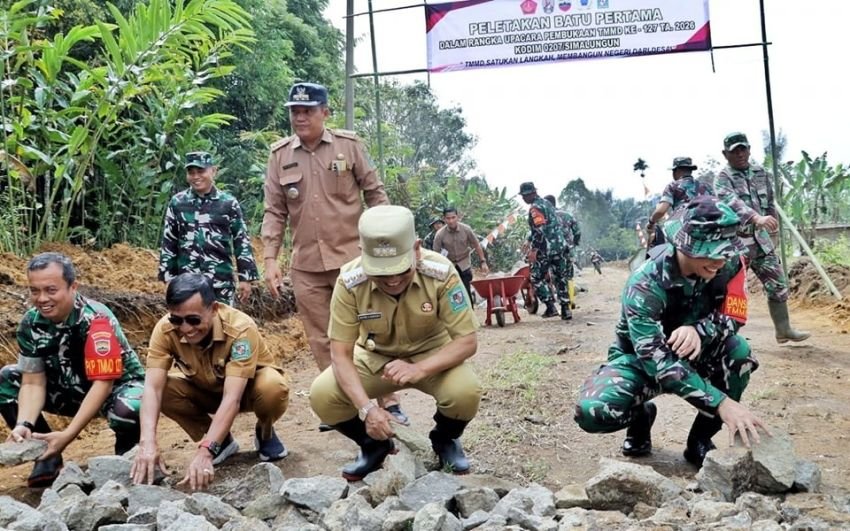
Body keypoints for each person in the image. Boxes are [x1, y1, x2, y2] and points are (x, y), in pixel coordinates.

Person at [574, 196, 770, 468]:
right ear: (683, 244)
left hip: (698, 354)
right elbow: (657, 361)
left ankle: (699, 441)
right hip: (642, 363)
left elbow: (734, 315)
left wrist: (700, 331)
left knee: (739, 353)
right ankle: (640, 417)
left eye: (723, 251)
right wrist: (721, 403)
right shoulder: (644, 283)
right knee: (593, 411)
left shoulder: (732, 263)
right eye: (708, 252)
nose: (718, 261)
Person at [261, 82, 407, 424]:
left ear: (325, 112)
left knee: (369, 331)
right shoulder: (279, 155)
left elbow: (375, 193)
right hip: (307, 266)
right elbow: (274, 211)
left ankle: (389, 399)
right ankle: (341, 403)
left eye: (308, 111)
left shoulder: (349, 146)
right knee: (321, 338)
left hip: (354, 261)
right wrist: (270, 259)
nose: (300, 118)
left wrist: (386, 245)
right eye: (294, 112)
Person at [310, 206, 482, 481]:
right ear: (363, 253)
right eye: (381, 272)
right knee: (322, 394)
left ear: (416, 249)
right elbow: (340, 354)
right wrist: (367, 410)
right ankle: (373, 446)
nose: (392, 280)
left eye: (400, 269)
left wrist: (420, 369)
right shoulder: (350, 281)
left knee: (465, 392)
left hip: (432, 356)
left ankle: (445, 439)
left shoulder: (441, 273)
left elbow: (467, 341)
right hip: (373, 358)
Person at [130, 273, 290, 491]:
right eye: (177, 319)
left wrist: (204, 453)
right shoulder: (164, 330)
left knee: (273, 387)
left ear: (214, 309)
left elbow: (232, 398)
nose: (186, 328)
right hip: (205, 390)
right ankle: (219, 441)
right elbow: (152, 388)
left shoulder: (240, 328)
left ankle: (265, 431)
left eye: (194, 320)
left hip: (246, 391)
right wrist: (147, 442)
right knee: (162, 389)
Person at [0, 252, 144, 487]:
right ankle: (47, 455)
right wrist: (23, 424)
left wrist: (68, 436)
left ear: (72, 286)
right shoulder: (30, 323)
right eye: (34, 291)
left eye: (51, 290)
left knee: (128, 408)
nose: (42, 298)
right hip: (69, 390)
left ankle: (128, 454)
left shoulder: (96, 319)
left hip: (114, 391)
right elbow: (32, 382)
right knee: (6, 379)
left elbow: (103, 383)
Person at [714, 132, 810, 344]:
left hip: (761, 241)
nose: (740, 154)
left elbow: (770, 202)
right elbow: (732, 203)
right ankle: (727, 337)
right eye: (734, 151)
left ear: (749, 149)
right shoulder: (723, 178)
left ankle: (783, 330)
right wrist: (756, 217)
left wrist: (771, 222)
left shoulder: (760, 173)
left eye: (743, 149)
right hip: (736, 244)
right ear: (725, 154)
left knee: (777, 282)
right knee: (732, 291)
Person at [158, 151, 259, 306]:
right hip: (186, 283)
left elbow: (241, 241)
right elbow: (169, 242)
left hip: (220, 282)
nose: (196, 176)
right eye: (191, 173)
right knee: (190, 325)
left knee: (222, 325)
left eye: (201, 171)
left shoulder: (228, 204)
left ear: (213, 171)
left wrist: (245, 278)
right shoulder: (177, 203)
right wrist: (168, 278)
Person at [520, 182, 571, 320]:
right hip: (559, 246)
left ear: (531, 194)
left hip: (545, 249)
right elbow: (549, 225)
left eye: (524, 196)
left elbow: (540, 229)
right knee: (560, 277)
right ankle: (566, 310)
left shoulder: (535, 208)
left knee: (536, 277)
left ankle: (550, 306)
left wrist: (535, 249)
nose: (523, 199)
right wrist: (529, 239)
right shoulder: (547, 204)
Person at [647, 157, 714, 246]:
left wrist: (651, 223)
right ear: (690, 170)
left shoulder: (673, 186)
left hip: (682, 231)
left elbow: (661, 211)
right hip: (707, 230)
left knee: (662, 250)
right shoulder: (706, 186)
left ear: (677, 170)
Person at [432, 207, 489, 301]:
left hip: (464, 263)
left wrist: (483, 261)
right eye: (448, 218)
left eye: (453, 217)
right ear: (444, 219)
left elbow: (476, 245)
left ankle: (470, 311)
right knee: (454, 292)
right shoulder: (440, 234)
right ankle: (458, 313)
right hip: (450, 265)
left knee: (466, 290)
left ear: (457, 217)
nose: (451, 221)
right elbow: (436, 253)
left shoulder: (466, 229)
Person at [543, 194, 581, 286]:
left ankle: (556, 295)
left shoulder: (544, 218)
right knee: (568, 275)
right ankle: (569, 298)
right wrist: (575, 243)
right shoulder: (567, 215)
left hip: (551, 251)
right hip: (567, 249)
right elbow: (577, 232)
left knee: (553, 274)